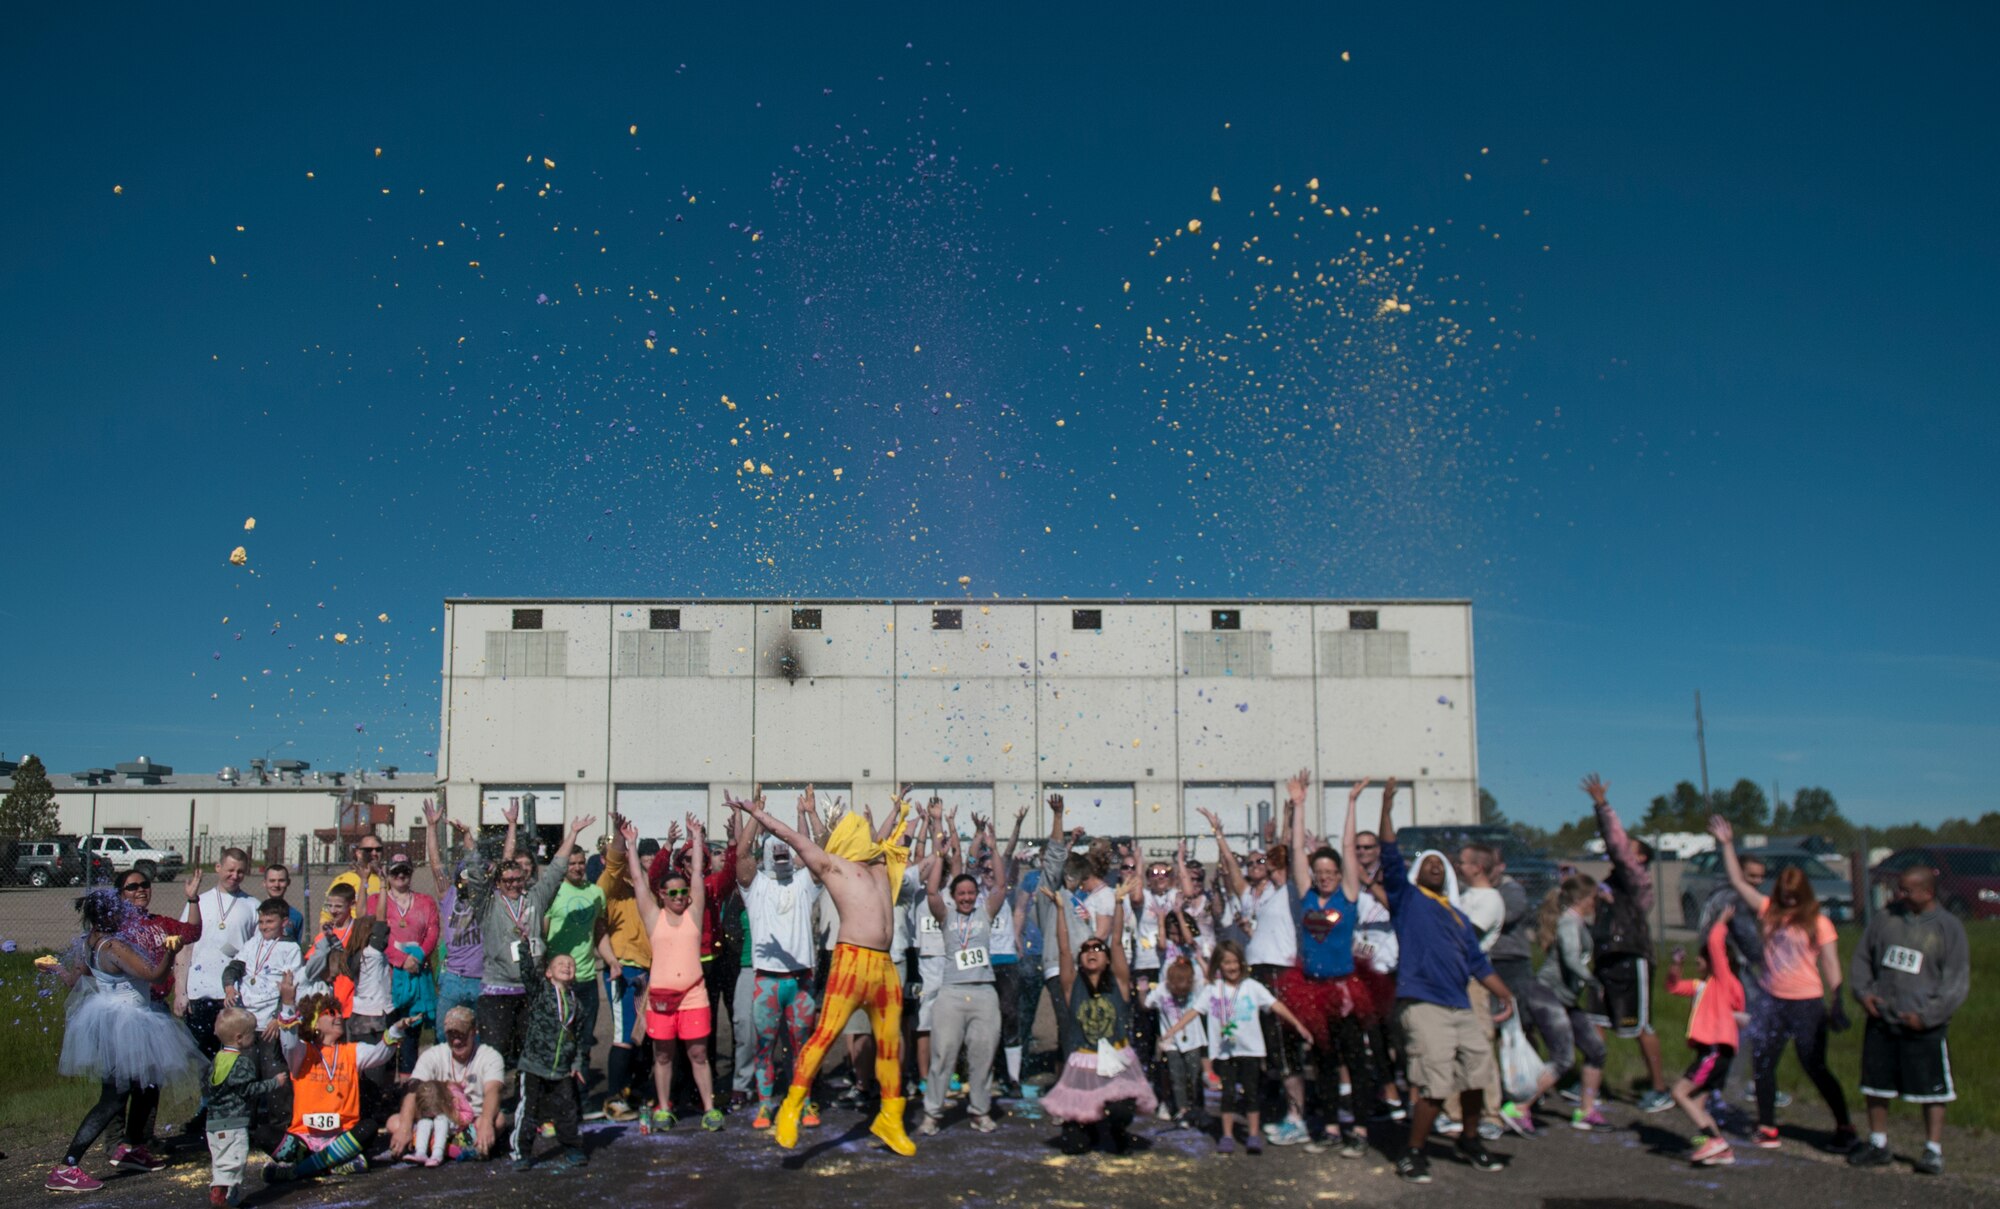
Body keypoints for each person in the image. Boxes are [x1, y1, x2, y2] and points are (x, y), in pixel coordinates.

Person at [728, 790, 918, 1156]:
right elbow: (791, 837)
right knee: (824, 1037)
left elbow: (888, 834)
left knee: (891, 1045)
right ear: (848, 839)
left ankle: (890, 1119)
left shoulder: (881, 865)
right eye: (858, 827)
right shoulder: (833, 867)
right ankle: (791, 1106)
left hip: (884, 967)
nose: (866, 830)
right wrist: (757, 814)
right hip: (851, 962)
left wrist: (897, 809)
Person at [1378, 784, 1516, 1183]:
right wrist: (1386, 811)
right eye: (1428, 864)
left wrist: (1504, 994)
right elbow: (1389, 856)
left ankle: (1469, 1140)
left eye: (1442, 865)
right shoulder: (1407, 900)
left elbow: (1476, 962)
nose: (1435, 867)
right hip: (1423, 1003)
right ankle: (1414, 1150)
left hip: (1459, 1004)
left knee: (1477, 1073)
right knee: (1436, 1081)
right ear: (1416, 874)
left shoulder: (1457, 917)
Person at [45, 888, 208, 1193]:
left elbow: (73, 980)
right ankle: (67, 1165)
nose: (126, 913)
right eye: (120, 910)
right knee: (113, 1097)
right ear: (109, 915)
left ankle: (129, 1148)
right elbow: (156, 976)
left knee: (144, 1082)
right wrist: (170, 951)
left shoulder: (88, 942)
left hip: (111, 1021)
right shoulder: (115, 946)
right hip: (129, 1022)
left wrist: (55, 968)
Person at [1709, 816, 1855, 1152]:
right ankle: (1767, 1126)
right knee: (1763, 1064)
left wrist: (1837, 999)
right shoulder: (1769, 911)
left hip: (1806, 1003)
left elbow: (1830, 963)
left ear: (1803, 894)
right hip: (1772, 1001)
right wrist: (1728, 843)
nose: (1789, 901)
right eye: (1784, 896)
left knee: (1814, 1065)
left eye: (1794, 897)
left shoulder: (1819, 922)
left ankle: (1845, 1125)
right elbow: (1738, 881)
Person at [1274, 772, 1378, 1156]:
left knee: (1355, 1058)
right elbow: (1297, 851)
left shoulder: (1347, 897)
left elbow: (1349, 848)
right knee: (1323, 1061)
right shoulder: (1306, 897)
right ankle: (1331, 1126)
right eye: (1320, 874)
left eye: (1331, 873)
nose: (1325, 878)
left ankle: (1362, 1129)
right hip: (1313, 990)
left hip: (1344, 988)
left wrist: (1351, 803)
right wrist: (1299, 805)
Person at [1196, 797, 1308, 1145]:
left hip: (1281, 971)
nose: (1256, 864)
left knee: (1285, 1046)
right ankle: (1276, 1106)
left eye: (1262, 860)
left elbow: (1286, 851)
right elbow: (1229, 864)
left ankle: (1298, 1117)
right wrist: (1218, 834)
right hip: (1254, 973)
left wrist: (1291, 814)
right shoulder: (1249, 897)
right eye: (1252, 861)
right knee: (1263, 1046)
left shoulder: (1285, 890)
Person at [1847, 864, 1970, 1175]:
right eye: (1898, 888)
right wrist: (1864, 995)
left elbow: (1956, 983)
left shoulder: (1948, 927)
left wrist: (1928, 1016)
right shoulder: (1885, 920)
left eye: (1906, 889)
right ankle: (1878, 1143)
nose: (1898, 894)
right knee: (1876, 1085)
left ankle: (1932, 1149)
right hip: (1883, 1017)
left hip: (1922, 1024)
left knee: (1932, 1089)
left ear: (1927, 892)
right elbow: (1862, 959)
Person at [1041, 870, 1157, 1153]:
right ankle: (1087, 1128)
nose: (1092, 951)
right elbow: (1064, 949)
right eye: (1087, 949)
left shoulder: (1119, 982)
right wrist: (1059, 910)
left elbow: (1116, 941)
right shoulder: (1072, 986)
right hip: (1084, 1062)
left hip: (1114, 1059)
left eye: (1097, 948)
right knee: (1075, 1145)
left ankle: (1116, 1128)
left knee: (1120, 1112)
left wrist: (1118, 904)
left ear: (1106, 958)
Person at [1164, 937, 1308, 1155]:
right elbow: (1194, 1011)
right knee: (1228, 1095)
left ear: (1241, 963)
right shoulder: (1213, 989)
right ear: (1218, 966)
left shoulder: (1252, 987)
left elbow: (1275, 1004)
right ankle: (1227, 1135)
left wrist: (1297, 1023)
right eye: (1226, 962)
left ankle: (1251, 1135)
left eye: (1234, 962)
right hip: (1224, 1052)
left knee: (1251, 1094)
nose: (1231, 967)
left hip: (1250, 1050)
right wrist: (1174, 1029)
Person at [263, 977, 414, 1183]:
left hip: (341, 1136)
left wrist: (395, 1030)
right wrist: (288, 1003)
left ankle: (300, 1169)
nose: (338, 1017)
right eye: (331, 1014)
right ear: (314, 1023)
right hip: (305, 1137)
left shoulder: (352, 1051)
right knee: (262, 1134)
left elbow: (380, 1054)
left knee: (369, 1127)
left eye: (338, 1013)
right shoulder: (302, 1052)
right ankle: (332, 1164)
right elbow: (288, 1044)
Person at [734, 790, 825, 1129]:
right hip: (767, 980)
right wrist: (756, 816)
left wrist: (812, 814)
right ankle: (765, 1104)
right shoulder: (755, 887)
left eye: (786, 847)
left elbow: (821, 851)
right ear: (767, 856)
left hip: (800, 980)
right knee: (765, 1046)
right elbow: (741, 853)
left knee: (803, 1048)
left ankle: (803, 1102)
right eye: (775, 848)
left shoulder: (804, 884)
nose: (781, 851)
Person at [1581, 775, 1672, 1113]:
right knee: (1597, 1022)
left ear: (1642, 859)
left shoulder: (1637, 881)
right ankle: (1591, 1084)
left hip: (1631, 958)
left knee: (1640, 1025)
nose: (1620, 850)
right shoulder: (1611, 884)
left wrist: (1602, 807)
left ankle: (1659, 1088)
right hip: (1606, 957)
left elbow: (1617, 845)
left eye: (1630, 849)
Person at [919, 816, 1014, 1135]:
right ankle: (932, 1113)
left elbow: (1001, 885)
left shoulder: (986, 914)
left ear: (976, 895)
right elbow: (932, 892)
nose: (966, 897)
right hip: (951, 994)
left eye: (970, 893)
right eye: (960, 893)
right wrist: (939, 855)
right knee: (943, 1054)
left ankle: (980, 1111)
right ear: (954, 895)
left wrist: (994, 847)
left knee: (982, 1055)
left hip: (984, 993)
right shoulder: (945, 916)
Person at [629, 813, 723, 1133]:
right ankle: (664, 1107)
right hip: (661, 998)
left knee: (698, 1053)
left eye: (683, 893)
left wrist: (697, 837)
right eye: (673, 893)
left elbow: (697, 872)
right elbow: (640, 882)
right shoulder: (653, 917)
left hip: (694, 994)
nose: (680, 897)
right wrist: (630, 846)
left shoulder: (694, 915)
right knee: (664, 1056)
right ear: (662, 896)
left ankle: (709, 1107)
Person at [478, 812, 589, 1070]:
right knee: (495, 1056)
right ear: (499, 883)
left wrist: (572, 833)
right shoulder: (490, 904)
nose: (514, 884)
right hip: (498, 990)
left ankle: (525, 1102)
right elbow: (502, 867)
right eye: (508, 881)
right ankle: (489, 1104)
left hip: (532, 991)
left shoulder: (535, 898)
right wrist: (512, 827)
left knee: (529, 1054)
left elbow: (556, 871)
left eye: (519, 879)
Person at [177, 848, 260, 1138]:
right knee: (203, 1058)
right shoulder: (197, 901)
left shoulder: (252, 906)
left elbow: (254, 954)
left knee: (233, 1057)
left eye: (240, 871)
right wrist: (180, 990)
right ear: (218, 867)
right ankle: (205, 1108)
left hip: (232, 997)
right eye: (229, 870)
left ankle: (232, 1110)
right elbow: (184, 946)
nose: (234, 875)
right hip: (199, 992)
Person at [1486, 849, 1565, 1135]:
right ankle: (1499, 1095)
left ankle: (1528, 1089)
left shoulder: (1511, 890)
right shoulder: (1477, 892)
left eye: (1490, 866)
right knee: (1491, 1033)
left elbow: (1502, 915)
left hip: (1513, 968)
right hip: (1487, 967)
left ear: (1500, 866)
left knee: (1522, 1030)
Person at [1664, 910, 1744, 1167]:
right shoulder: (1703, 987)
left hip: (1714, 1050)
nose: (1696, 961)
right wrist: (1676, 965)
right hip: (1712, 1052)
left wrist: (1720, 922)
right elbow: (1673, 986)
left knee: (1679, 1093)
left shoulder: (1724, 982)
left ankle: (1713, 1140)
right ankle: (1722, 1149)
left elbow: (1714, 944)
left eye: (1700, 958)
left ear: (1713, 962)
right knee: (1698, 1103)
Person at [1537, 874, 1612, 1131]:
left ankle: (1586, 1111)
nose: (1595, 902)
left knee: (1595, 1049)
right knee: (1563, 1058)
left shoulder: (1577, 921)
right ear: (1582, 899)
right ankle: (1519, 1106)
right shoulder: (1569, 922)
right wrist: (1593, 983)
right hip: (1548, 996)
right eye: (1593, 898)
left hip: (1566, 1000)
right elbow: (1570, 960)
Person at [388, 1005, 505, 1163]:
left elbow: (493, 1090)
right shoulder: (433, 1055)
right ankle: (453, 1147)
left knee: (498, 1120)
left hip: (471, 1122)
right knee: (394, 1122)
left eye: (461, 1034)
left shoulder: (490, 1056)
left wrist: (486, 1121)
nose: (456, 1040)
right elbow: (412, 1090)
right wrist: (404, 1129)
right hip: (434, 1120)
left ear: (474, 1031)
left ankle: (433, 1145)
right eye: (451, 1034)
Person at [596, 816, 654, 1121]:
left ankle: (635, 1091)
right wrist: (621, 838)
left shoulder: (645, 887)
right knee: (623, 1035)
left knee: (644, 1036)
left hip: (649, 969)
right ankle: (613, 1099)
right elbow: (616, 862)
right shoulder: (611, 885)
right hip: (625, 969)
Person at [509, 951, 589, 1171]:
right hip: (534, 1064)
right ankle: (521, 1153)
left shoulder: (577, 1005)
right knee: (528, 1110)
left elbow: (580, 1038)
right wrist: (524, 948)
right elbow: (527, 974)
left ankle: (572, 1147)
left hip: (561, 1068)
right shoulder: (541, 992)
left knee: (567, 1110)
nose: (566, 966)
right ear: (548, 972)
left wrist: (577, 1063)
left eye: (571, 964)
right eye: (560, 963)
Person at [1453, 841, 1511, 1140]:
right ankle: (1455, 1113)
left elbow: (1465, 937)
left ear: (1477, 867)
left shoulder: (1489, 900)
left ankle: (1491, 1113)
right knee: (1455, 1046)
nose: (1458, 866)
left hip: (1475, 980)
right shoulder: (1466, 895)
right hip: (1456, 979)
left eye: (1463, 862)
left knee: (1480, 1047)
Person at [205, 1007, 288, 1206]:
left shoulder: (218, 1059)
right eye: (252, 1034)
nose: (255, 1038)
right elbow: (248, 1090)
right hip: (233, 1122)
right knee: (235, 1159)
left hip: (213, 1123)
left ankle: (227, 1196)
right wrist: (274, 1082)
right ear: (240, 1038)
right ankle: (221, 1192)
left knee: (220, 1160)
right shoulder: (242, 1063)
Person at [542, 840, 607, 1091]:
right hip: (558, 981)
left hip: (587, 978)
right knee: (558, 1042)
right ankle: (556, 1096)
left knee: (584, 1042)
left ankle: (582, 1098)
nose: (578, 868)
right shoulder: (553, 894)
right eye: (572, 863)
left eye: (581, 863)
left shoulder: (595, 893)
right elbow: (544, 934)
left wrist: (611, 960)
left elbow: (600, 932)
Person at [368, 850, 440, 1074]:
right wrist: (399, 960)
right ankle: (386, 1086)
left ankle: (409, 1084)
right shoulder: (376, 901)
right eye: (395, 872)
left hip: (417, 973)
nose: (400, 876)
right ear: (387, 874)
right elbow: (374, 933)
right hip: (387, 975)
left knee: (411, 1033)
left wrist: (417, 958)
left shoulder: (425, 901)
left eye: (405, 871)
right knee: (389, 1031)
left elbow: (432, 932)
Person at [424, 801, 486, 1026]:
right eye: (463, 876)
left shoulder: (483, 899)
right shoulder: (448, 895)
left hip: (479, 978)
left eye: (471, 876)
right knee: (444, 1033)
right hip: (452, 977)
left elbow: (474, 859)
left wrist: (467, 834)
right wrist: (431, 827)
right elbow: (435, 863)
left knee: (477, 1037)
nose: (466, 880)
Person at [1147, 955, 1207, 1126]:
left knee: (1194, 1075)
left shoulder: (1196, 988)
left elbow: (1208, 980)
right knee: (1176, 1076)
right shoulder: (1161, 990)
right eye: (1177, 989)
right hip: (1171, 1043)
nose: (1181, 993)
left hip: (1193, 1040)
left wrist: (1200, 959)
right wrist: (1143, 989)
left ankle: (1198, 1108)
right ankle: (1182, 1110)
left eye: (1184, 990)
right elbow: (1147, 1004)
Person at [325, 835, 386, 924]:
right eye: (368, 850)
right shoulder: (344, 880)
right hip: (352, 933)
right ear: (358, 853)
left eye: (378, 849)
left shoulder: (387, 881)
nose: (374, 853)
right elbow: (326, 917)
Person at [262, 865, 306, 942]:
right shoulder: (255, 912)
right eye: (272, 881)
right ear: (264, 883)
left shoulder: (296, 916)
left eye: (281, 880)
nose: (276, 885)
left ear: (288, 882)